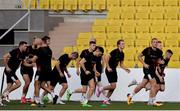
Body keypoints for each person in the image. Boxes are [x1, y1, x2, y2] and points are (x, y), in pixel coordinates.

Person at [127, 38, 163, 106]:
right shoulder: (147, 50)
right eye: (154, 42)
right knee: (154, 83)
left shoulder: (159, 52)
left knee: (142, 85)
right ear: (151, 43)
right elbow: (139, 56)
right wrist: (144, 64)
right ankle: (153, 101)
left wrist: (161, 63)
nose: (155, 43)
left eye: (156, 42)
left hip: (152, 69)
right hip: (147, 69)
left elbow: (158, 61)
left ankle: (130, 96)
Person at [96, 40, 130, 105]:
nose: (123, 45)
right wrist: (108, 67)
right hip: (109, 70)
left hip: (114, 70)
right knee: (113, 86)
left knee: (113, 87)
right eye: (122, 44)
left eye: (124, 44)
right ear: (118, 45)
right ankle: (100, 89)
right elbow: (106, 57)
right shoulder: (115, 51)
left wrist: (125, 69)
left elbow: (121, 64)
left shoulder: (122, 53)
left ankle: (105, 99)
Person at [0, 41, 28, 106]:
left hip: (13, 71)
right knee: (19, 83)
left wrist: (32, 64)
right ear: (21, 46)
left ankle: (1, 100)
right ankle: (6, 94)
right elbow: (5, 56)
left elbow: (24, 63)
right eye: (25, 46)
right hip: (9, 71)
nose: (26, 47)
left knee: (9, 86)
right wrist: (7, 67)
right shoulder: (15, 51)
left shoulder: (23, 54)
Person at [32, 36, 56, 106]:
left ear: (42, 41)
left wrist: (27, 60)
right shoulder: (49, 50)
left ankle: (37, 100)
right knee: (42, 85)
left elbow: (34, 60)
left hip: (40, 70)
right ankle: (53, 94)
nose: (50, 42)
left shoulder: (40, 49)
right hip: (48, 70)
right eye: (49, 40)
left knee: (36, 84)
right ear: (46, 41)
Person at [20, 38, 42, 103]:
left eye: (39, 43)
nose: (38, 44)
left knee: (28, 84)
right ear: (34, 42)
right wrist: (32, 64)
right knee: (27, 82)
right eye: (37, 43)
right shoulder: (27, 49)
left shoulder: (38, 50)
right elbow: (24, 62)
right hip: (24, 68)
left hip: (30, 70)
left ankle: (25, 97)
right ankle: (22, 97)